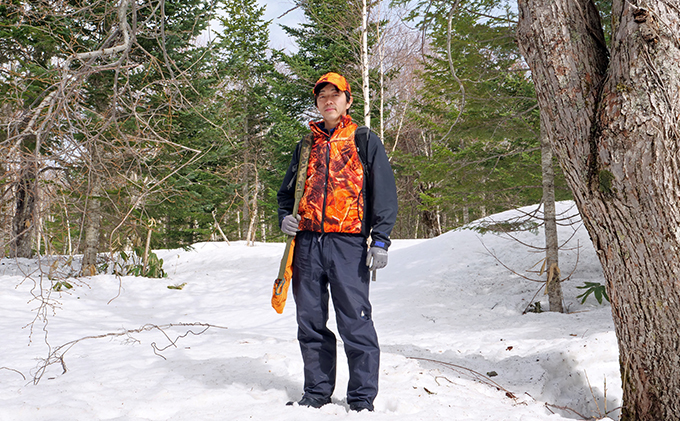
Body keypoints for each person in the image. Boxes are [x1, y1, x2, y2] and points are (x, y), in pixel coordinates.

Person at [277, 72, 398, 412]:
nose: (328, 100)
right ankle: (316, 393)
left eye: (335, 95)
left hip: (347, 245)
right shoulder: (306, 146)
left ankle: (361, 399)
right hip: (308, 245)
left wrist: (381, 239)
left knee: (355, 321)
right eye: (322, 96)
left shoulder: (363, 139)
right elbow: (286, 194)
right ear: (317, 103)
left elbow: (385, 193)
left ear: (348, 101)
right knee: (311, 321)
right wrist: (285, 218)